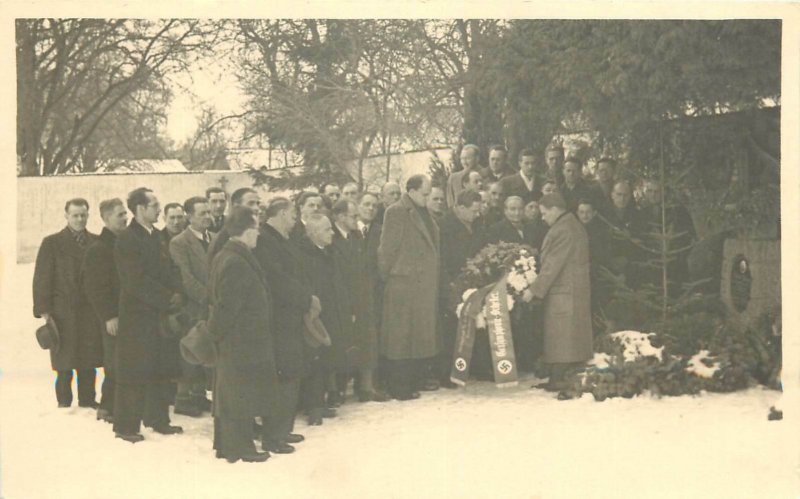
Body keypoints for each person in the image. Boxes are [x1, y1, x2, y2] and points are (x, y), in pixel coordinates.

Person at [113, 188, 184, 443]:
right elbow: (135, 281)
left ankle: (158, 419)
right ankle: (125, 426)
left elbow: (170, 268)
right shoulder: (127, 239)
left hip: (159, 316)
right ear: (140, 209)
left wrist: (177, 291)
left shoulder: (156, 236)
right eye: (154, 204)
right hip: (137, 318)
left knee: (159, 368)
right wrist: (167, 297)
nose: (158, 208)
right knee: (133, 371)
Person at [207, 206, 277, 463]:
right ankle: (241, 448)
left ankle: (227, 445)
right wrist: (216, 334)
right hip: (241, 340)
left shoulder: (227, 255)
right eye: (256, 229)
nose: (258, 234)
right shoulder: (236, 261)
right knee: (240, 395)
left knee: (233, 393)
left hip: (238, 339)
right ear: (247, 231)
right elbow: (227, 307)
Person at [254, 198, 315, 452]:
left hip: (290, 318)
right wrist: (305, 297)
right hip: (278, 320)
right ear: (279, 213)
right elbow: (277, 279)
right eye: (292, 214)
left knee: (291, 374)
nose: (295, 218)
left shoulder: (282, 238)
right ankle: (273, 436)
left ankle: (283, 430)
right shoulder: (265, 240)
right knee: (282, 377)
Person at [33, 198, 103, 409]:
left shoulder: (97, 242)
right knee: (64, 359)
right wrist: (44, 310)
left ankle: (88, 400)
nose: (80, 219)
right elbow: (42, 278)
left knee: (88, 358)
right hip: (62, 311)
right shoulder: (52, 243)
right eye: (75, 215)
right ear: (66, 216)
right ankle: (64, 402)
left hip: (90, 311)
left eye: (83, 215)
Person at [378, 174, 440, 400]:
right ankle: (399, 387)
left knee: (415, 337)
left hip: (421, 286)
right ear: (411, 191)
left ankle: (412, 381)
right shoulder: (396, 212)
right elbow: (387, 250)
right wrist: (391, 277)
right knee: (400, 339)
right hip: (403, 284)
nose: (428, 197)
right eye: (425, 193)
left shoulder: (424, 212)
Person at [530, 193, 593, 390]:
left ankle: (560, 379)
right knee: (566, 336)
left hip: (564, 292)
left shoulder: (563, 229)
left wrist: (534, 290)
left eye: (544, 213)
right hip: (570, 291)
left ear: (555, 209)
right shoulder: (571, 225)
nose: (542, 217)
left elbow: (551, 265)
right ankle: (560, 377)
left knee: (562, 336)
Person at [330, 200, 387, 403]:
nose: (357, 219)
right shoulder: (332, 238)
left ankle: (366, 387)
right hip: (343, 301)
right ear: (340, 217)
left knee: (366, 342)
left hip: (363, 298)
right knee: (343, 346)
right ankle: (337, 391)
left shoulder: (355, 236)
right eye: (353, 216)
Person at [82, 198, 128, 423]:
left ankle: (117, 405)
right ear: (106, 218)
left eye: (125, 213)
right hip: (112, 316)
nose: (125, 218)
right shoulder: (99, 249)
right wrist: (108, 316)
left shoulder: (121, 243)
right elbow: (94, 287)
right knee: (114, 362)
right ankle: (107, 407)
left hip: (127, 313)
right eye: (120, 215)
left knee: (122, 360)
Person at [168, 196, 214, 417]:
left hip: (213, 306)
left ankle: (199, 395)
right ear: (189, 216)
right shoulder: (180, 242)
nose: (207, 217)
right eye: (202, 213)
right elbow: (185, 278)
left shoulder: (213, 238)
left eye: (208, 212)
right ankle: (184, 398)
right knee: (191, 351)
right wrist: (208, 297)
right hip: (193, 307)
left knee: (206, 352)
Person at [295, 214, 340, 424]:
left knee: (323, 359)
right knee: (313, 359)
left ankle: (318, 403)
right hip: (314, 315)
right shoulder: (305, 256)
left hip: (328, 312)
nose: (332, 233)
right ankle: (312, 407)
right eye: (327, 229)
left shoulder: (326, 252)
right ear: (313, 233)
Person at [438, 190, 483, 386]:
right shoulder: (444, 226)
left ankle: (467, 368)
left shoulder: (476, 223)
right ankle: (447, 372)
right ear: (461, 208)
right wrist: (449, 282)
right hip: (452, 281)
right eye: (474, 210)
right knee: (450, 330)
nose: (478, 214)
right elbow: (442, 257)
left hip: (470, 281)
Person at [577, 198, 612, 335]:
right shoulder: (574, 230)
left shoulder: (601, 231)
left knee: (596, 307)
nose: (585, 216)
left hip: (596, 276)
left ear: (594, 213)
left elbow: (604, 255)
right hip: (578, 276)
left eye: (588, 212)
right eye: (582, 212)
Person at [207, 187, 261, 264]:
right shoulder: (224, 237)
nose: (256, 208)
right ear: (236, 206)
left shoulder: (253, 232)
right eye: (251, 203)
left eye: (258, 203)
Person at [446, 144, 480, 208]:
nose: (464, 162)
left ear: (477, 159)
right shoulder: (453, 178)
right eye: (462, 159)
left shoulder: (485, 175)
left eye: (468, 158)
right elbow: (450, 203)